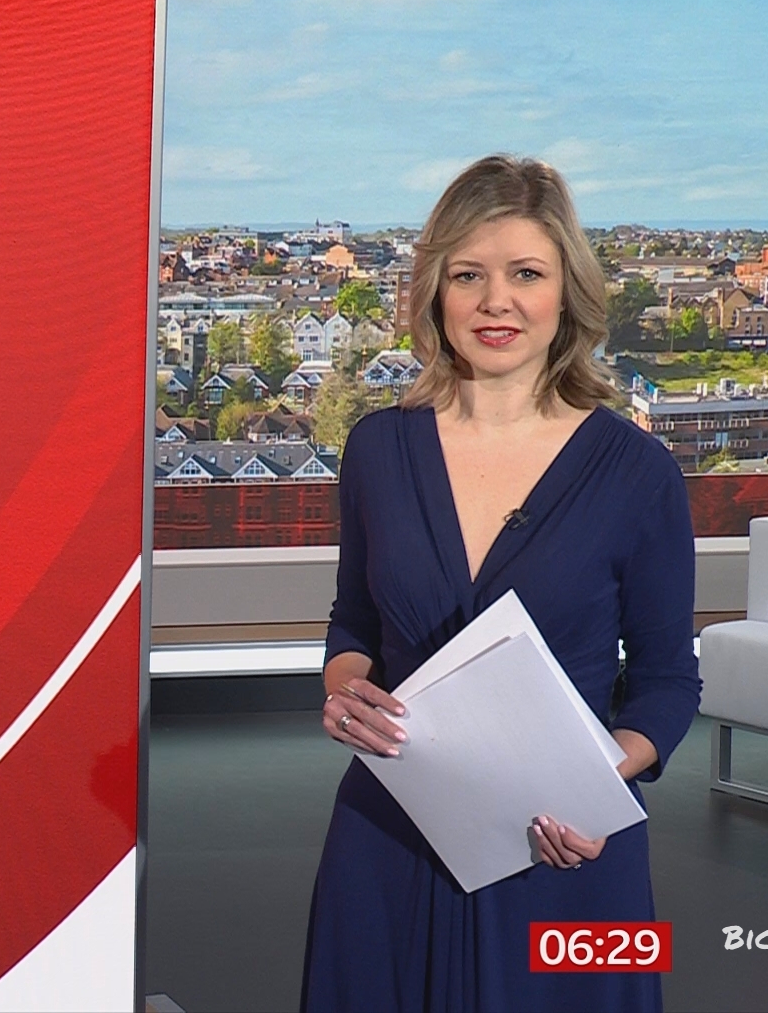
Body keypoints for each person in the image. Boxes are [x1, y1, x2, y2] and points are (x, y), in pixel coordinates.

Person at [300, 156, 700, 1012]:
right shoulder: (377, 449)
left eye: (525, 274)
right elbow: (355, 623)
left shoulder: (640, 472)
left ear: (568, 294)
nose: (496, 301)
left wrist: (599, 784)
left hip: (570, 851)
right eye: (468, 275)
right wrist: (343, 691)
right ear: (435, 293)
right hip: (389, 839)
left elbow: (668, 681)